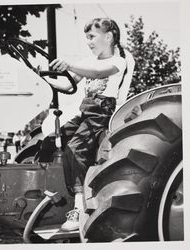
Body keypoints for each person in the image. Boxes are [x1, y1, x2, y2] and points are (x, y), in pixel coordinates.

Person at [49, 18, 129, 231]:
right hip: (86, 110)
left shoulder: (118, 61)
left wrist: (70, 64)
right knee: (53, 139)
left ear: (109, 36)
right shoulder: (89, 61)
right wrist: (43, 76)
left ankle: (79, 207)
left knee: (75, 149)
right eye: (87, 38)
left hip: (102, 111)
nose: (89, 42)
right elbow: (66, 84)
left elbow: (96, 73)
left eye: (92, 36)